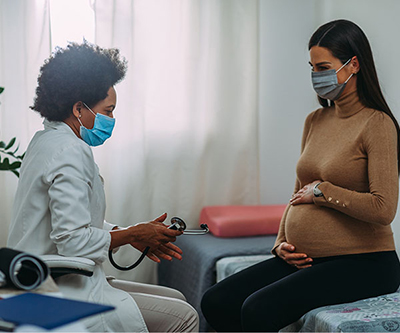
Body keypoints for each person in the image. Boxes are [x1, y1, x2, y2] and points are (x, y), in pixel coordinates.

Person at [201, 19, 400, 332]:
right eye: (313, 68)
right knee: (217, 300)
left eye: (324, 67)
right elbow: (297, 194)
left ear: (354, 64)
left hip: (365, 262)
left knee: (258, 310)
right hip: (308, 258)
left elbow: (383, 208)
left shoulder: (377, 125)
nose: (316, 77)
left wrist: (323, 192)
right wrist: (280, 242)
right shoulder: (315, 120)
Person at [7, 42, 199, 332]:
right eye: (108, 111)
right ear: (79, 109)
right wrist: (133, 233)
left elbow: (74, 222)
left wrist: (129, 234)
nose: (111, 120)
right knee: (185, 317)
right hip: (56, 286)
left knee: (175, 297)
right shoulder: (70, 151)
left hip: (45, 276)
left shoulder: (47, 141)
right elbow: (71, 239)